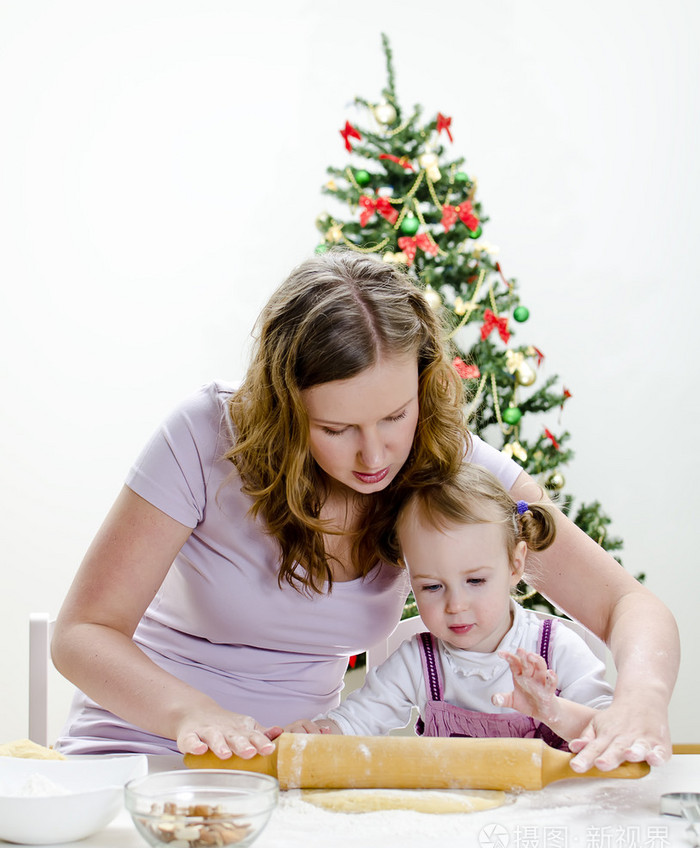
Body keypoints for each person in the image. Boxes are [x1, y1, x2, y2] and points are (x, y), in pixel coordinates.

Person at [51, 249, 677, 771]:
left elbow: (630, 604)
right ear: (283, 403)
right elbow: (82, 633)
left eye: (395, 416)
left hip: (292, 773)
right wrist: (191, 713)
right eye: (336, 426)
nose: (375, 455)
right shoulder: (204, 436)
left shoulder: (448, 463)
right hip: (137, 753)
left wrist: (640, 699)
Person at [287, 464, 613, 766]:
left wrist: (553, 712)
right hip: (451, 819)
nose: (455, 605)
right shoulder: (419, 660)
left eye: (475, 581)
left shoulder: (556, 648)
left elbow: (609, 728)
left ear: (515, 564)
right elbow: (355, 722)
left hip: (544, 819)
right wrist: (317, 734)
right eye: (431, 586)